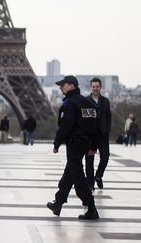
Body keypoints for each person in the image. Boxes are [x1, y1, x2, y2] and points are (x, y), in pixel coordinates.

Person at [46, 75, 100, 220]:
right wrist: (93, 145)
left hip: (74, 143)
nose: (60, 88)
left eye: (63, 85)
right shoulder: (88, 103)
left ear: (71, 86)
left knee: (77, 175)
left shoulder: (69, 103)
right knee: (70, 173)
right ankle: (58, 203)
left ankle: (91, 207)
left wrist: (57, 143)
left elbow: (65, 126)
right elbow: (96, 126)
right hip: (85, 143)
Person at [84, 78, 111, 191]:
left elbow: (108, 117)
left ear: (100, 87)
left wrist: (107, 130)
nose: (95, 88)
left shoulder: (105, 101)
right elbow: (84, 118)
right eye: (93, 86)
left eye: (97, 86)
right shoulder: (85, 100)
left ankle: (98, 176)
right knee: (89, 159)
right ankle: (90, 182)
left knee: (105, 157)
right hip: (90, 135)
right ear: (91, 87)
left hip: (103, 134)